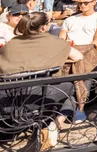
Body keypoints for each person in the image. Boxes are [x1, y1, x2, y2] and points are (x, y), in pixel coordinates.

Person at [0, 12, 83, 146]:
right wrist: (56, 60)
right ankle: (54, 126)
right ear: (44, 27)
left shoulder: (11, 43)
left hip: (7, 101)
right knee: (69, 89)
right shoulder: (55, 42)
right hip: (39, 99)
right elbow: (78, 57)